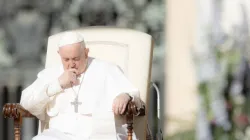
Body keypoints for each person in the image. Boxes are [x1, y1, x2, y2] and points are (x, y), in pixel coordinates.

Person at [20, 31, 143, 140]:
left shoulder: (107, 69)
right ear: (59, 55)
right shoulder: (51, 74)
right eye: (66, 60)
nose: (71, 64)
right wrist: (56, 85)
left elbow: (134, 95)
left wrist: (125, 95)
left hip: (100, 135)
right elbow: (26, 103)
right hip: (58, 135)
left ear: (86, 52)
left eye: (75, 58)